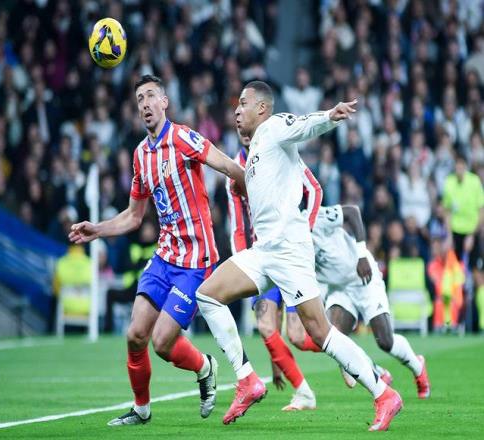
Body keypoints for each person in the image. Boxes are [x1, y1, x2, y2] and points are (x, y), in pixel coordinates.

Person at [195, 80, 402, 431]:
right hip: (264, 250)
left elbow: (304, 125)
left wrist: (330, 115)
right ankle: (247, 380)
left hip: (290, 250)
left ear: (262, 108)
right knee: (208, 295)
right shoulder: (255, 149)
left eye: (243, 103)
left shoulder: (274, 127)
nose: (237, 110)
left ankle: (384, 394)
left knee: (319, 333)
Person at [69, 74, 247, 426]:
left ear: (164, 102)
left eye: (151, 96)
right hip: (166, 255)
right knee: (135, 334)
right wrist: (98, 229)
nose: (146, 103)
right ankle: (141, 409)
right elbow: (134, 216)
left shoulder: (182, 137)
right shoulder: (140, 155)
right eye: (140, 99)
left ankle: (205, 367)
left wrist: (245, 190)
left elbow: (228, 165)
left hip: (196, 259)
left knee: (163, 343)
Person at [226, 133, 319, 411]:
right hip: (261, 258)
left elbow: (314, 189)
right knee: (266, 326)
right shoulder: (234, 169)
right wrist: (243, 264)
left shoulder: (280, 148)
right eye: (237, 116)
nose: (242, 125)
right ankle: (303, 392)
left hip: (289, 253)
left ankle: (350, 359)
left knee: (299, 336)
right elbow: (238, 227)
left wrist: (305, 230)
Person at [301, 204, 431, 399]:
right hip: (339, 288)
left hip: (363, 276)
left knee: (385, 341)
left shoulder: (313, 218)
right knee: (333, 336)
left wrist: (361, 254)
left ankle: (417, 365)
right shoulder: (287, 242)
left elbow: (352, 212)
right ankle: (376, 371)